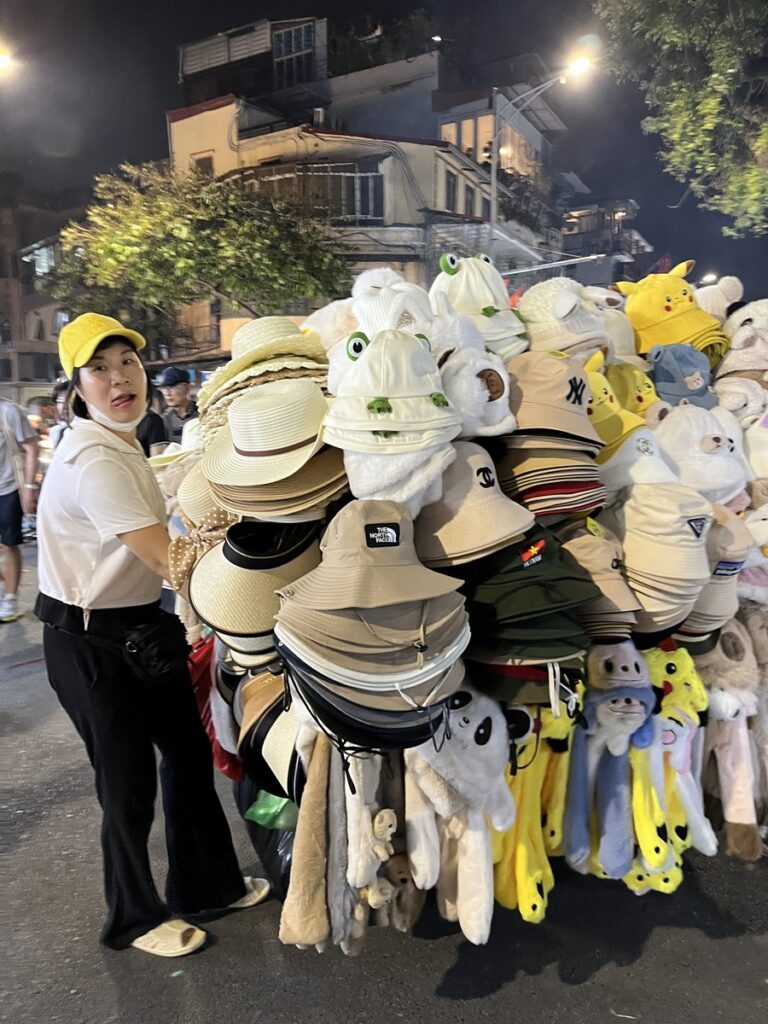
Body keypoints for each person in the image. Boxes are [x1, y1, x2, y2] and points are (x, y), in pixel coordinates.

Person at [34, 312, 269, 957]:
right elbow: (169, 560)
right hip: (90, 641)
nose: (119, 379)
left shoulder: (121, 442)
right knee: (126, 782)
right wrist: (259, 572)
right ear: (77, 385)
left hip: (141, 625)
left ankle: (206, 884)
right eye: (99, 369)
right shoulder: (94, 460)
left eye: (127, 363)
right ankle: (133, 918)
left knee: (189, 756)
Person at [0, 396, 39, 622]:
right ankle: (8, 581)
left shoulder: (9, 412)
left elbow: (31, 448)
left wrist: (29, 487)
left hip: (8, 488)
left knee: (10, 544)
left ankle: (10, 598)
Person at [159, 366, 198, 444]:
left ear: (187, 388)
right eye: (164, 388)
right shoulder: (164, 419)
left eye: (172, 387)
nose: (167, 393)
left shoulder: (201, 413)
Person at [48, 381, 72, 449]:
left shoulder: (87, 431)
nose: (65, 407)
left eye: (70, 401)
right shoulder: (55, 431)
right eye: (60, 402)